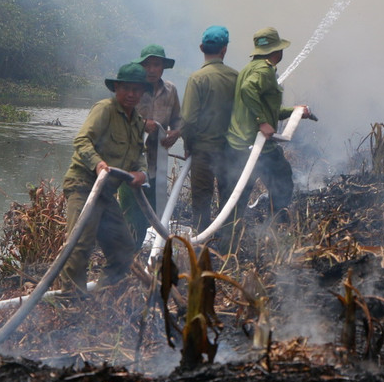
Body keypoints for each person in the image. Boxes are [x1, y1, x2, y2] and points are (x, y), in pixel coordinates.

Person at [59, 62, 151, 297]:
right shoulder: (104, 109)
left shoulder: (138, 122)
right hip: (83, 184)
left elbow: (138, 156)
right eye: (126, 88)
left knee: (123, 249)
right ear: (116, 88)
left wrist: (141, 172)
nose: (131, 94)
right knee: (79, 246)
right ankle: (71, 301)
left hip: (106, 192)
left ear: (142, 92)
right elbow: (82, 140)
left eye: (137, 90)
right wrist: (98, 163)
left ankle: (103, 297)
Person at [224, 26, 310, 229]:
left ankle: (229, 238)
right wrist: (262, 121)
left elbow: (266, 108)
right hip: (256, 146)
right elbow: (248, 90)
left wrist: (294, 111)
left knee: (238, 196)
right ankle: (277, 226)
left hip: (239, 145)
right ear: (277, 51)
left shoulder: (249, 68)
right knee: (282, 181)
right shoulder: (264, 70)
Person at [118, 44, 182, 245]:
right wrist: (144, 124)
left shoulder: (170, 90)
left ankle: (149, 258)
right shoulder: (132, 90)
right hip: (131, 164)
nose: (152, 70)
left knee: (155, 214)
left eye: (157, 65)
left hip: (157, 165)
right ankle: (130, 258)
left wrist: (176, 132)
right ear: (141, 66)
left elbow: (178, 118)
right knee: (131, 215)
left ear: (163, 67)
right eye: (148, 65)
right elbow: (118, 120)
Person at [180, 25, 239, 232]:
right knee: (228, 201)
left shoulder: (197, 79)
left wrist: (188, 145)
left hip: (203, 151)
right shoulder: (235, 77)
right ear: (224, 50)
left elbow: (188, 120)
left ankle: (200, 248)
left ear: (201, 48)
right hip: (229, 150)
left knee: (202, 203)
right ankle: (227, 246)